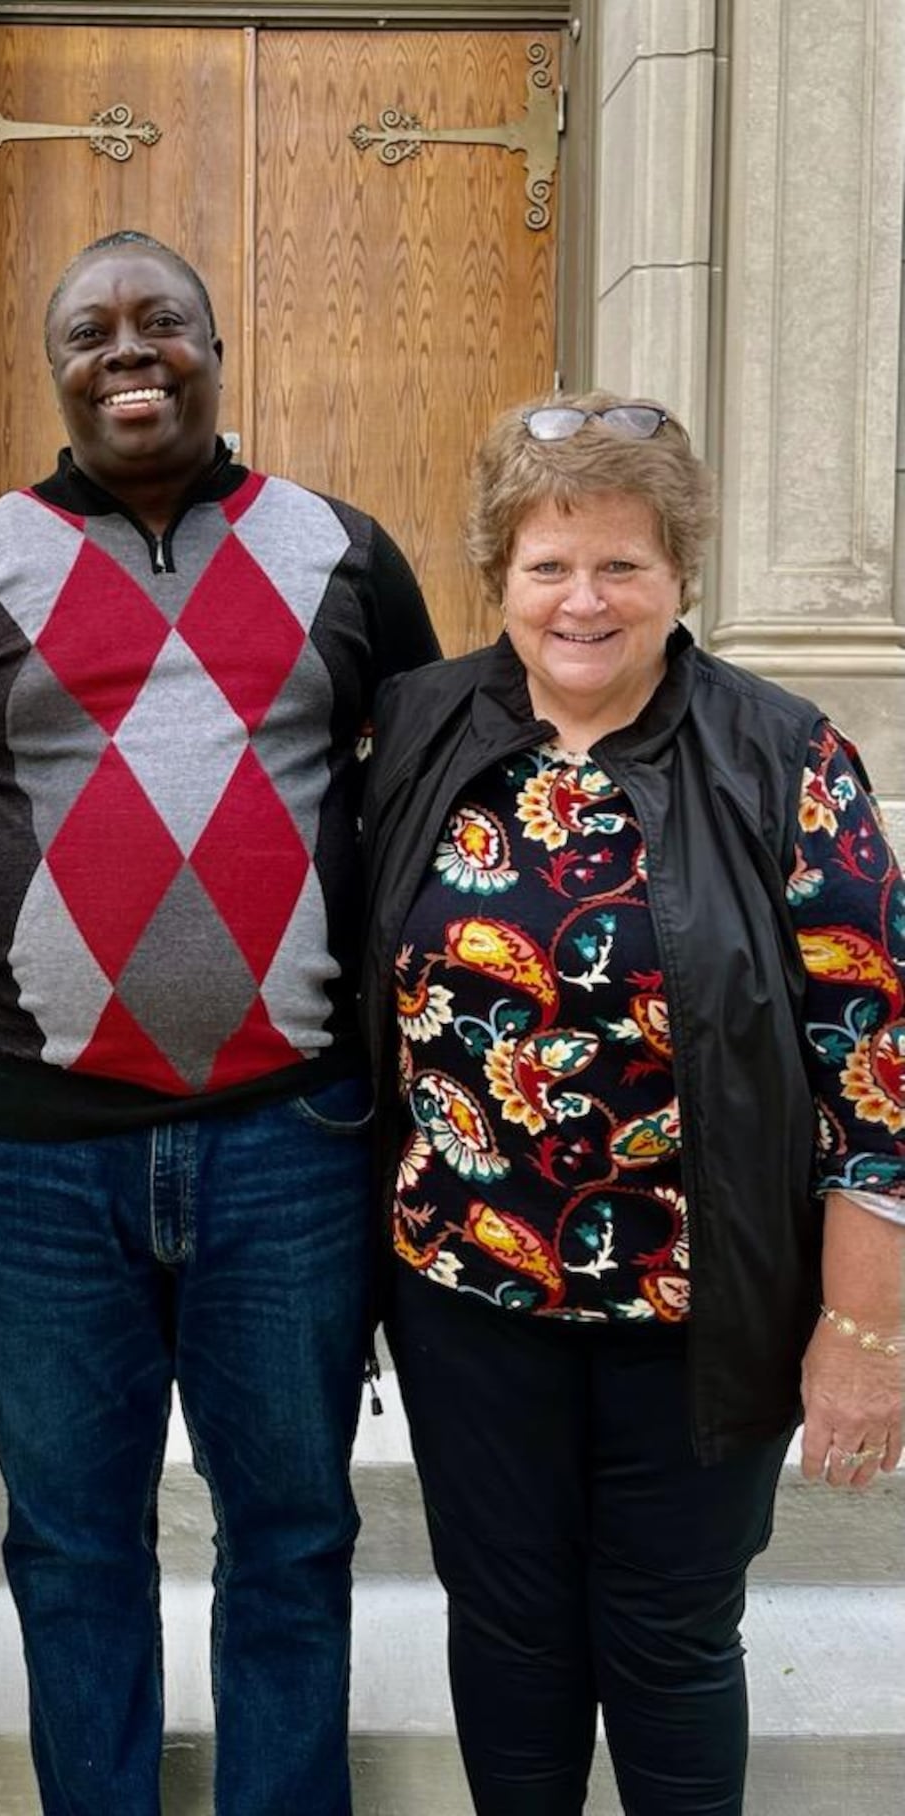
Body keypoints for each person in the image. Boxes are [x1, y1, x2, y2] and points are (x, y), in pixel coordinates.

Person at [0, 230, 439, 1814]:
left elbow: (422, 810)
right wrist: (34, 965)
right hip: (43, 1157)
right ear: (52, 368)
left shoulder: (344, 552)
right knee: (73, 1540)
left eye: (162, 321)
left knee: (296, 1535)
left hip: (291, 1142)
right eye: (93, 327)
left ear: (215, 349)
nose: (131, 349)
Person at [359, 392, 905, 1814]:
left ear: (680, 577)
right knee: (508, 1631)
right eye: (549, 565)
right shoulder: (418, 728)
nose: (584, 601)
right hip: (464, 1295)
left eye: (623, 566)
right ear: (500, 575)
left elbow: (875, 1071)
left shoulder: (786, 760)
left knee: (669, 1642)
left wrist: (864, 1330)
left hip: (701, 1305)